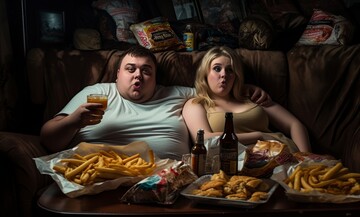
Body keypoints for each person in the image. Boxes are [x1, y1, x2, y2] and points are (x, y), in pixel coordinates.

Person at [40, 45, 272, 160]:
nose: (138, 75)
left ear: (156, 77)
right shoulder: (97, 93)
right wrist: (73, 121)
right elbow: (48, 140)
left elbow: (215, 90)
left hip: (165, 179)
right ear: (118, 73)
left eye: (146, 71)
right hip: (94, 172)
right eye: (130, 69)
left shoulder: (177, 94)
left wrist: (245, 89)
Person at [182, 46, 312, 153]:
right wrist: (259, 136)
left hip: (284, 154)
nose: (224, 75)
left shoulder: (252, 96)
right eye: (217, 68)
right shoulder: (197, 104)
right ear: (205, 73)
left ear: (236, 76)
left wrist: (305, 157)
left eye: (230, 70)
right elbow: (205, 140)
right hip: (240, 164)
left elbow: (294, 125)